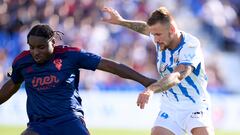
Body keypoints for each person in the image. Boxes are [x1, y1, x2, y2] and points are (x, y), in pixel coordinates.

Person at [0, 24, 156, 135]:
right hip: (39, 126)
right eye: (31, 47)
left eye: (41, 47)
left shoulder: (71, 55)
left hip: (69, 120)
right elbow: (12, 85)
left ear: (53, 43)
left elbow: (111, 66)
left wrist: (144, 80)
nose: (35, 52)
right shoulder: (22, 62)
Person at [102, 7, 214, 135]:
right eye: (153, 34)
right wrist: (121, 21)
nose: (155, 39)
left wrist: (151, 89)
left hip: (195, 106)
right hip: (170, 107)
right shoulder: (161, 38)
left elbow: (177, 76)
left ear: (171, 30)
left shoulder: (191, 45)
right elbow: (145, 28)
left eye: (158, 35)